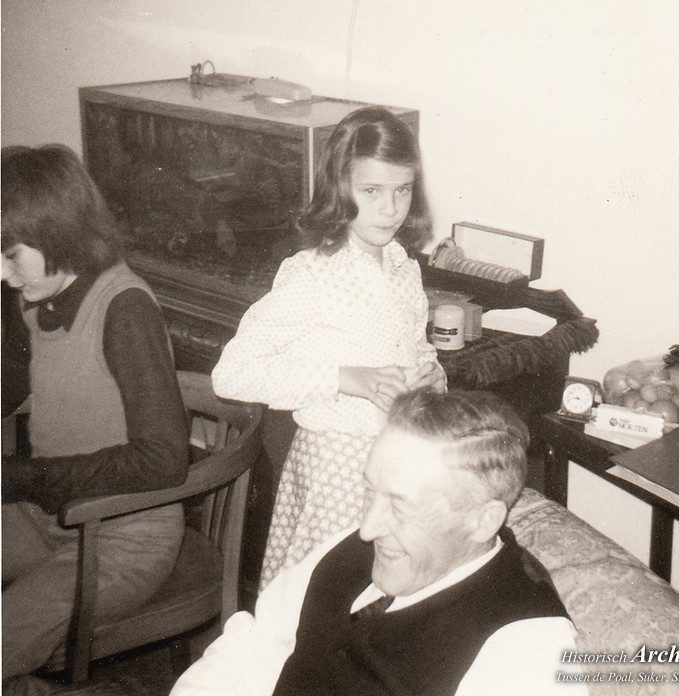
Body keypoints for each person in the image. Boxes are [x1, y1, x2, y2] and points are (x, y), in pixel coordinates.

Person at [171, 387, 587, 696]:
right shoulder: (348, 548)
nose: (367, 529)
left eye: (401, 506)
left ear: (482, 521)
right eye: (370, 492)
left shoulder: (525, 648)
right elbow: (252, 649)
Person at [212, 107, 446, 587]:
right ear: (341, 188)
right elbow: (231, 374)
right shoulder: (313, 274)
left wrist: (432, 374)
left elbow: (417, 348)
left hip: (396, 464)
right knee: (326, 595)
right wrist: (343, 378)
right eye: (372, 191)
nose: (390, 209)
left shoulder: (404, 269)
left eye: (402, 190)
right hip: (334, 472)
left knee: (380, 595)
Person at [1, 145, 190, 687]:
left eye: (11, 255)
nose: (3, 274)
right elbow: (14, 382)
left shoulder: (124, 308)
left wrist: (23, 478)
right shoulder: (34, 296)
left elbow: (164, 460)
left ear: (55, 231)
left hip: (124, 538)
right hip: (47, 516)